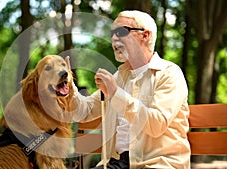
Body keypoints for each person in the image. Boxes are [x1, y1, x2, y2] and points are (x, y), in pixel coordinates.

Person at [68, 10, 191, 169]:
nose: (113, 38)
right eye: (112, 33)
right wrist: (67, 85)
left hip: (158, 164)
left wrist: (115, 94)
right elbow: (84, 111)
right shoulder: (119, 77)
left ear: (145, 35)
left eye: (121, 32)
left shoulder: (169, 74)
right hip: (117, 163)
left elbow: (156, 124)